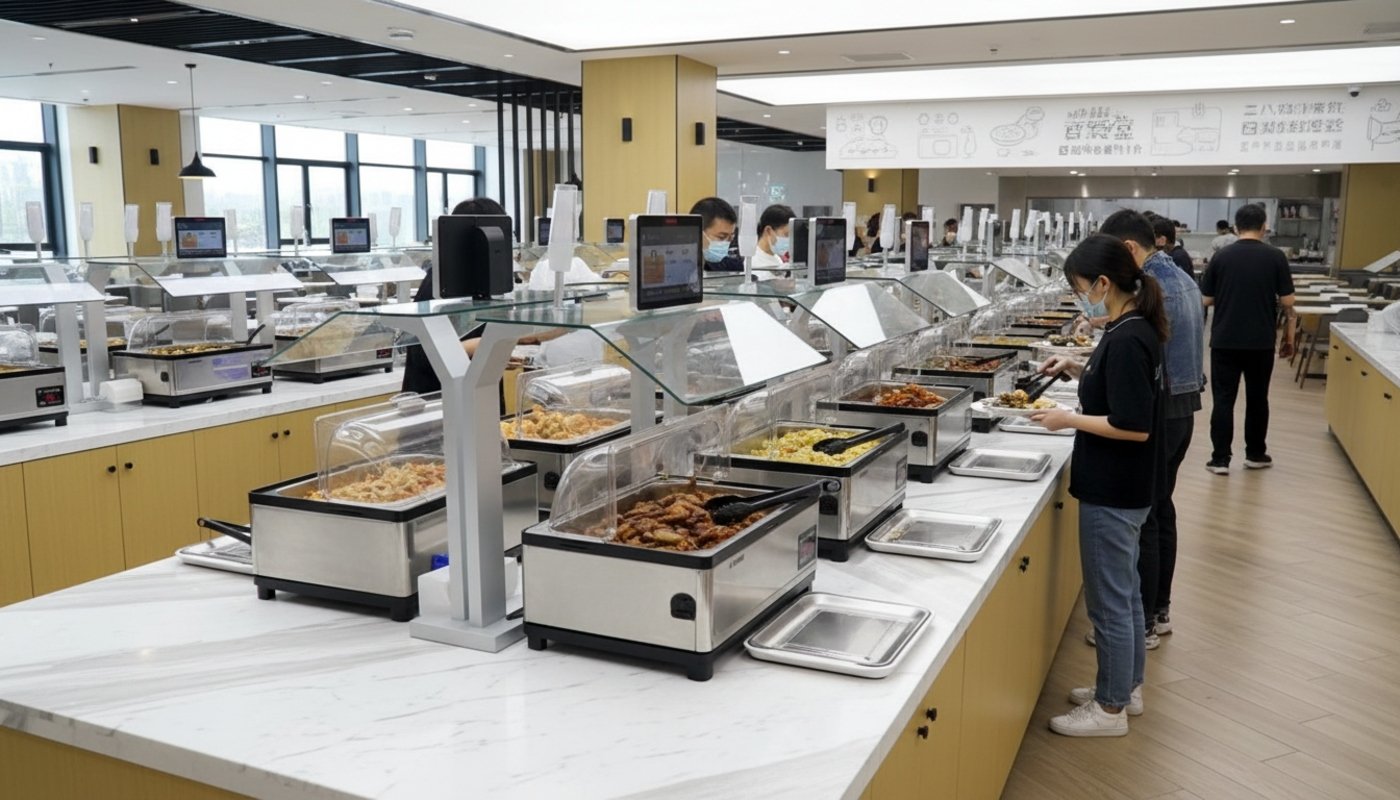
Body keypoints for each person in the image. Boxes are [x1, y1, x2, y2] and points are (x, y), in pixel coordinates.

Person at [1031, 234, 1167, 737]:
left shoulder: (1130, 337)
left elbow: (1134, 425)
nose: (1078, 298)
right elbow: (1119, 387)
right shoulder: (1130, 327)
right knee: (1125, 594)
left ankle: (1108, 710)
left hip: (1113, 488)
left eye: (1080, 288)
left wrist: (1067, 419)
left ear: (1104, 284)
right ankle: (1125, 687)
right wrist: (1075, 367)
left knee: (1108, 601)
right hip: (1127, 486)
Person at [1100, 210, 1204, 646]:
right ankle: (1157, 611)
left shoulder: (1156, 287)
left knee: (1146, 518)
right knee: (1161, 510)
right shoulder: (1178, 276)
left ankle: (1141, 622)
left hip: (1165, 411)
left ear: (1129, 249)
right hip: (1182, 407)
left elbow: (1142, 356)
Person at [1199, 203, 1296, 474]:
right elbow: (1288, 300)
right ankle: (1255, 453)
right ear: (1264, 226)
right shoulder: (1276, 256)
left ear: (1236, 226)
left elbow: (1206, 299)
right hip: (1261, 342)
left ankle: (1220, 459)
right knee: (1257, 398)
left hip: (1224, 340)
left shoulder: (1222, 257)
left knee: (1223, 400)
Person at [402, 197, 509, 396]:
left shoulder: (483, 278)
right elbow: (424, 354)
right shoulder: (440, 284)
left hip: (478, 396)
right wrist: (489, 346)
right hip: (436, 401)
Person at [691, 196, 743, 272]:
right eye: (721, 237)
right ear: (697, 234)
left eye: (730, 238)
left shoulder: (727, 266)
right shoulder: (679, 268)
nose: (726, 244)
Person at [750, 204, 794, 277]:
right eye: (786, 234)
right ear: (768, 231)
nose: (789, 240)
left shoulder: (776, 257)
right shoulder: (753, 261)